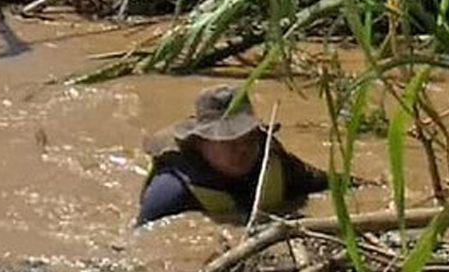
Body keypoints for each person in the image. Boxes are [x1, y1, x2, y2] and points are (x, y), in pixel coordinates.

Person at [136, 85, 328, 225]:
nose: (242, 150)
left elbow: (336, 185)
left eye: (248, 139)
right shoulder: (170, 193)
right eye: (228, 142)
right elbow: (143, 241)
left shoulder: (278, 164)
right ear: (200, 143)